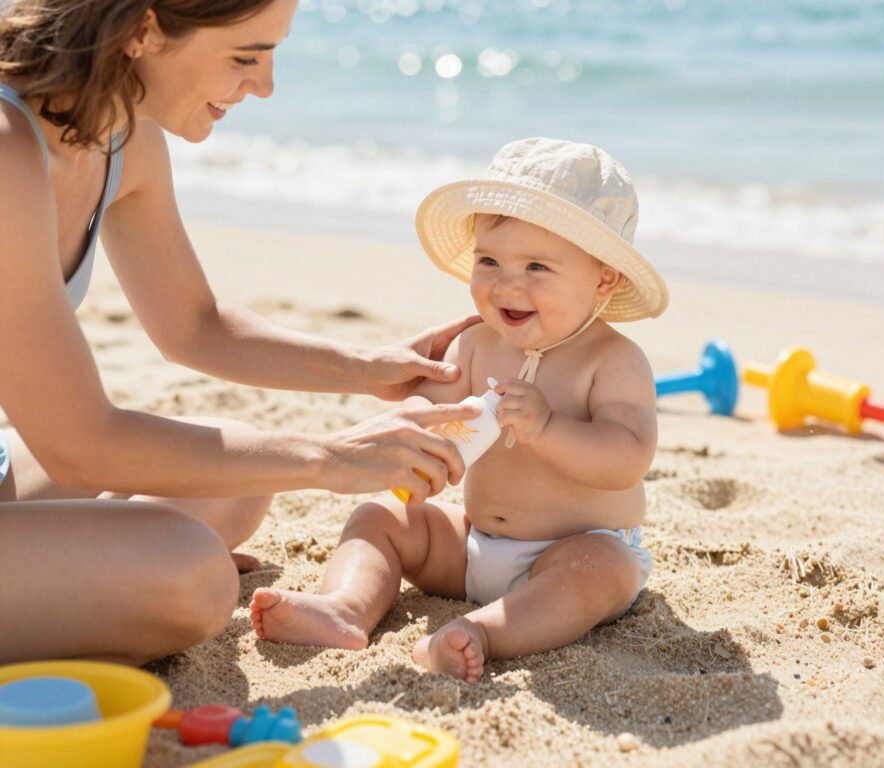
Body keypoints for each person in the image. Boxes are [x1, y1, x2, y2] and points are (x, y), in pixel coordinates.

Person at [0, 0, 484, 666]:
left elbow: (196, 325)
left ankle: (79, 575)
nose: (266, 86)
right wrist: (329, 458)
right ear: (142, 28)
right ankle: (92, 576)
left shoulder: (123, 138)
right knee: (194, 572)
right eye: (245, 56)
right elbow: (79, 446)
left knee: (241, 479)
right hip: (67, 449)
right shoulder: (5, 147)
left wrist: (368, 366)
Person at [249, 137, 671, 682]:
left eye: (537, 266)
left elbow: (627, 459)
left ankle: (483, 633)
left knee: (602, 572)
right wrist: (424, 435)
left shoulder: (613, 360)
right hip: (471, 543)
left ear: (604, 279)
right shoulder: (475, 345)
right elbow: (431, 415)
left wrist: (547, 428)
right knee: (380, 518)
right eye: (489, 260)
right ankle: (345, 607)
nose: (506, 283)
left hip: (569, 550)